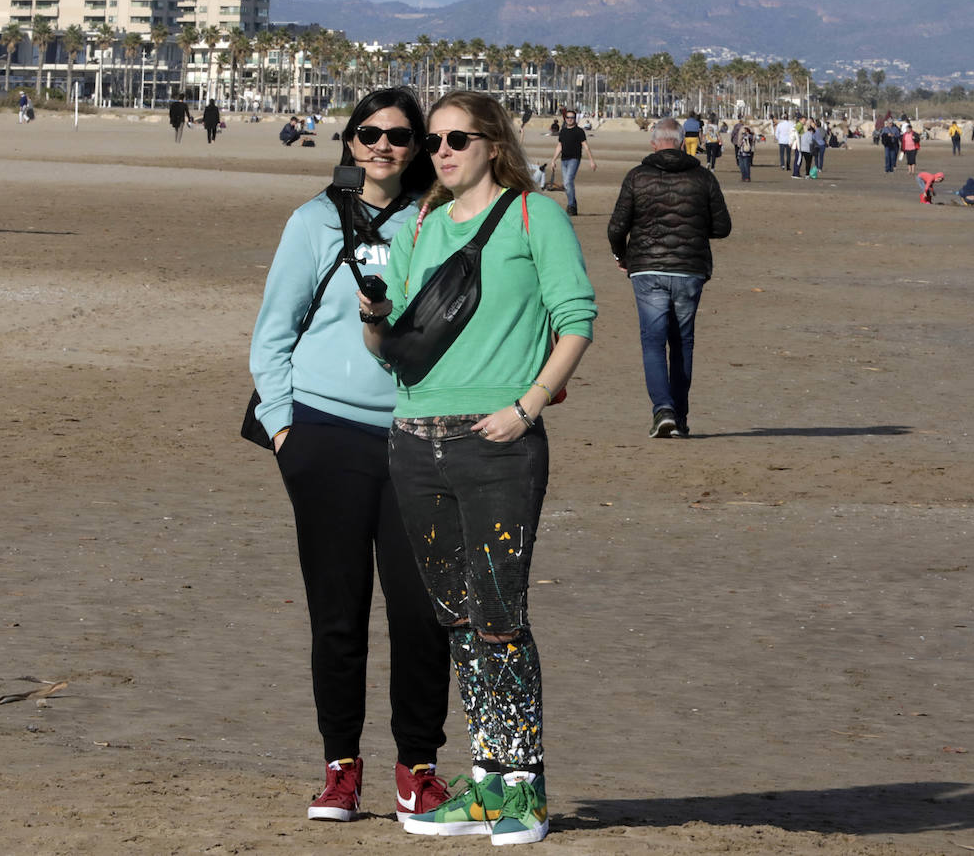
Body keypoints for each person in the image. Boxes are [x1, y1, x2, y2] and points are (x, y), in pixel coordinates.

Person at [360, 90, 596, 846]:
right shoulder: (421, 225)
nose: (443, 151)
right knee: (456, 619)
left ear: (494, 144)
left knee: (500, 618)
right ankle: (488, 783)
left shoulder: (536, 217)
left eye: (459, 138)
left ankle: (524, 788)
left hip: (496, 442)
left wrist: (525, 409)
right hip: (412, 437)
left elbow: (576, 320)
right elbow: (387, 348)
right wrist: (371, 315)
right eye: (434, 141)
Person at [248, 87, 453, 826]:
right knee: (338, 615)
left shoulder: (440, 222)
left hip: (415, 437)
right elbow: (273, 330)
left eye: (399, 136)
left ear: (421, 146)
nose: (382, 147)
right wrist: (282, 428)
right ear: (349, 140)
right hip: (323, 436)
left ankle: (417, 771)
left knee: (422, 614)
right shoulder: (311, 222)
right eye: (368, 134)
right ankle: (340, 769)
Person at [607, 117, 732, 439]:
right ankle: (679, 415)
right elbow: (721, 227)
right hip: (689, 268)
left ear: (653, 143)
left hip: (648, 268)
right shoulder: (703, 177)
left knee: (653, 343)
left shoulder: (637, 176)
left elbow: (617, 226)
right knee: (681, 343)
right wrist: (692, 230)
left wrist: (622, 256)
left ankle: (664, 410)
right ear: (682, 141)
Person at [547, 109, 596, 216]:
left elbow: (585, 146)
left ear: (575, 119)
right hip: (564, 159)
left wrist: (591, 161)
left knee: (568, 181)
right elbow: (559, 146)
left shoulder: (579, 131)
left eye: (572, 118)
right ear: (565, 119)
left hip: (574, 159)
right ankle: (573, 205)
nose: (570, 119)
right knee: (566, 184)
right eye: (568, 117)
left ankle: (571, 206)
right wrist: (553, 160)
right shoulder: (563, 131)